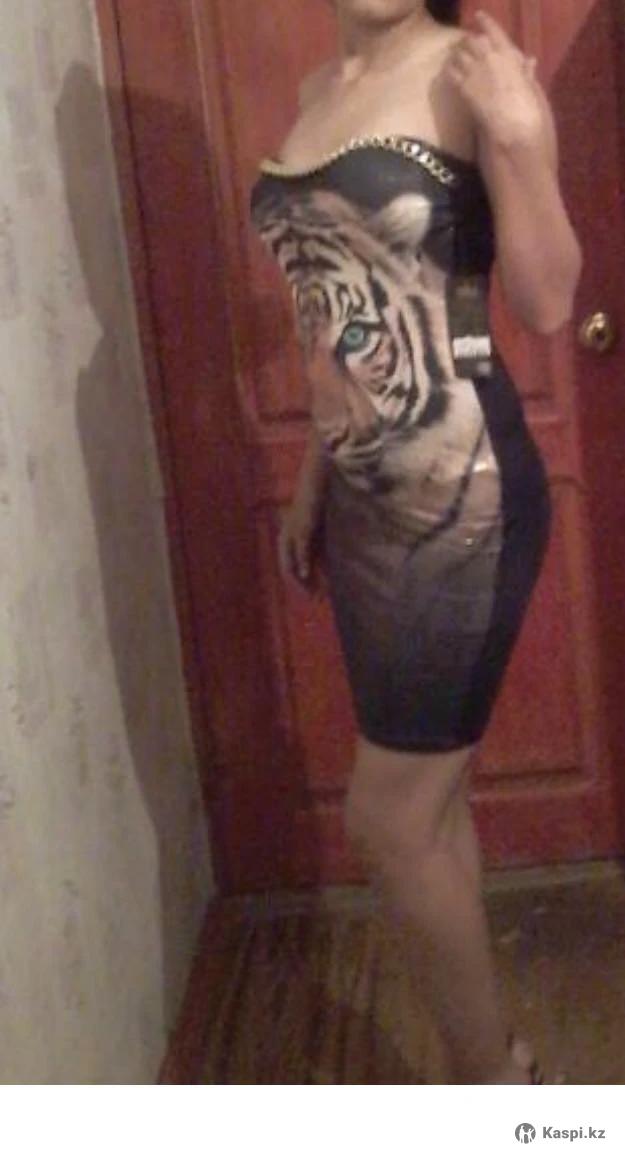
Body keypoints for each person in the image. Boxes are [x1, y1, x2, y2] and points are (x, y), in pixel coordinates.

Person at [250, 0, 581, 1084]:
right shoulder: (317, 93)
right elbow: (338, 314)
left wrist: (520, 142)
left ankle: (495, 1098)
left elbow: (542, 300)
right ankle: (486, 1055)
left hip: (459, 504)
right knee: (430, 811)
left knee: (387, 820)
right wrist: (314, 478)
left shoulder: (471, 72)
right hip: (358, 500)